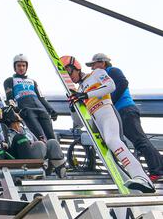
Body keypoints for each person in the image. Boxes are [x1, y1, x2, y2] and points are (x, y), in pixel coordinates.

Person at [60, 55, 155, 193]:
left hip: (107, 111)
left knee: (113, 141)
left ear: (77, 67)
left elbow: (111, 86)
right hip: (97, 122)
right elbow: (78, 122)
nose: (70, 77)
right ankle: (133, 180)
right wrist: (73, 107)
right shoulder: (79, 90)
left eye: (69, 71)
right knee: (109, 151)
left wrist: (85, 95)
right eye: (66, 76)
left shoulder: (97, 73)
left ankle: (142, 178)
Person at [86, 53, 163, 182]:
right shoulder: (101, 77)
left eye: (94, 64)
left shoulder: (112, 71)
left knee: (140, 141)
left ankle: (156, 171)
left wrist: (111, 101)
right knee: (140, 140)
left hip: (125, 109)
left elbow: (122, 83)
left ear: (103, 63)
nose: (92, 68)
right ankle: (160, 166)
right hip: (121, 111)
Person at [3, 54, 58, 142]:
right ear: (15, 67)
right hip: (27, 111)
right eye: (19, 65)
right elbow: (9, 99)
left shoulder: (33, 81)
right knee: (40, 138)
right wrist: (18, 110)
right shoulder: (9, 81)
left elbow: (41, 97)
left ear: (26, 67)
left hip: (41, 109)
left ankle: (56, 155)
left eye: (23, 65)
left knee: (52, 138)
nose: (21, 68)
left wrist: (51, 109)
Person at [1, 105, 66, 178]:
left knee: (52, 142)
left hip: (40, 157)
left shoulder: (24, 129)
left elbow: (35, 140)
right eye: (15, 113)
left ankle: (61, 170)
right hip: (22, 162)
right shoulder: (6, 132)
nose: (18, 115)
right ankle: (35, 172)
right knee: (39, 144)